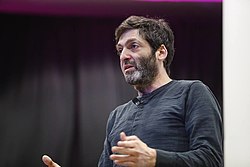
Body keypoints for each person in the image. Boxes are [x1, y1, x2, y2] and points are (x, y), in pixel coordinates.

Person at [42, 15, 223, 167]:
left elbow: (212, 160)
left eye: (133, 46)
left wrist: (154, 159)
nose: (123, 56)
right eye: (120, 50)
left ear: (160, 52)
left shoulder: (191, 92)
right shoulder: (117, 116)